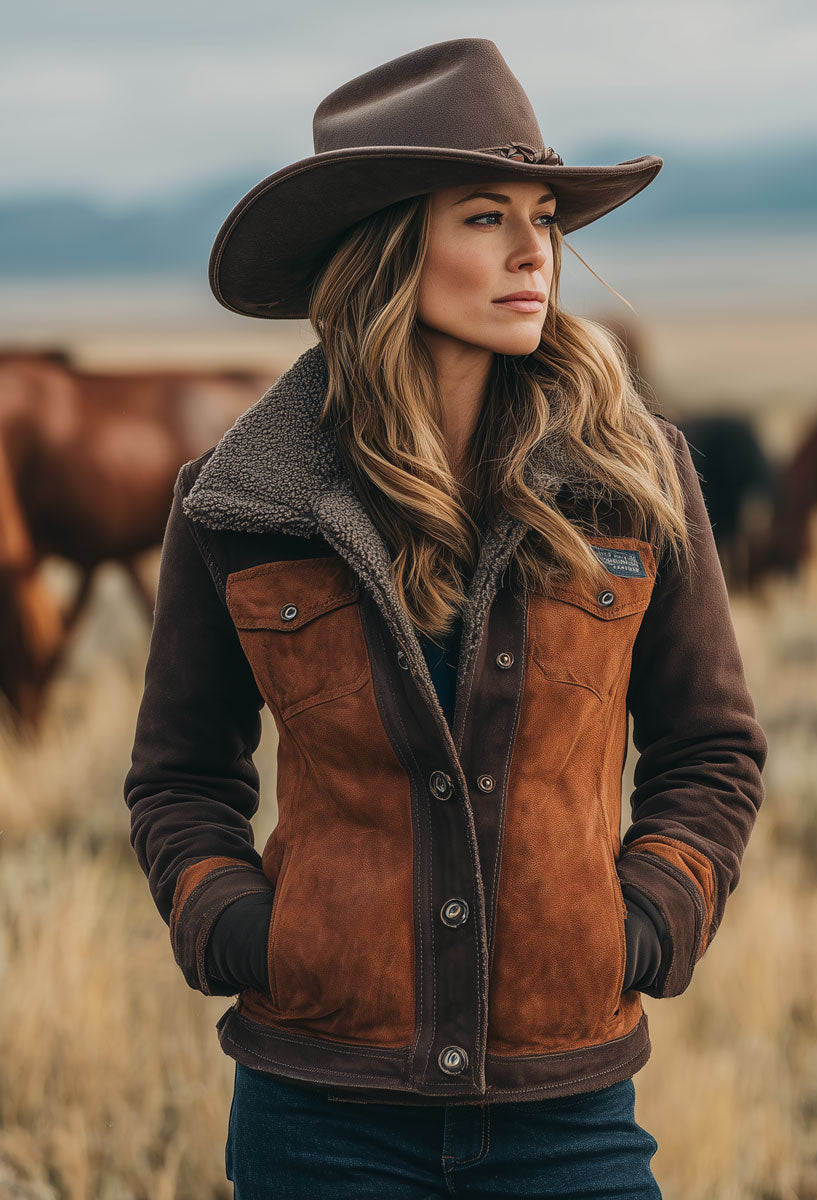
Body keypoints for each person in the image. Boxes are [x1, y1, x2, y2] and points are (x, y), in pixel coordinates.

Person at [124, 37, 767, 1199]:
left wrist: (645, 923)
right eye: (484, 217)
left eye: (545, 216)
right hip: (316, 1107)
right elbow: (178, 776)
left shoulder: (634, 477)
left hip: (569, 1107)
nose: (535, 252)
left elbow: (713, 747)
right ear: (382, 251)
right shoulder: (238, 504)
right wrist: (241, 932)